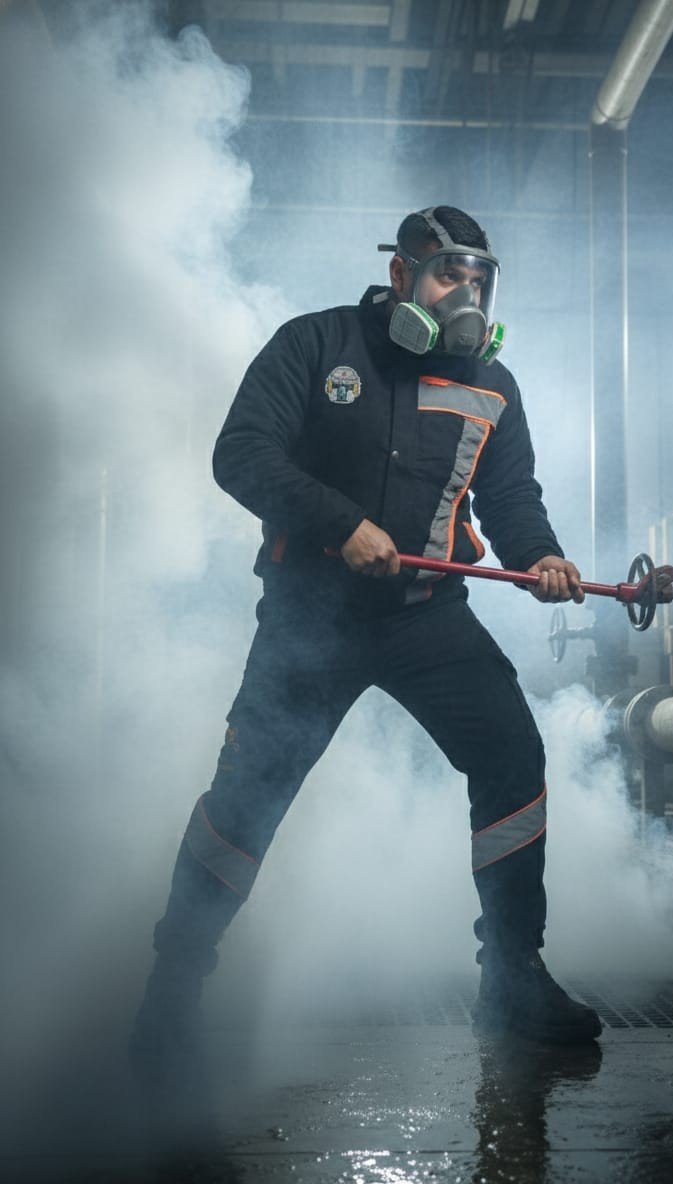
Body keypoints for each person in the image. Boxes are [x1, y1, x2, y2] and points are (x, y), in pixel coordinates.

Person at [130, 204, 605, 1088]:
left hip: (426, 617)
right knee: (245, 798)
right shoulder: (314, 346)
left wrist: (540, 556)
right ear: (400, 275)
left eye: (476, 280)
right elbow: (241, 453)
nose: (463, 295)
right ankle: (172, 990)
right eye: (447, 275)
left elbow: (509, 500)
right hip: (311, 613)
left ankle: (511, 979)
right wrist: (339, 523)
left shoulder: (492, 383)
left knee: (511, 757)